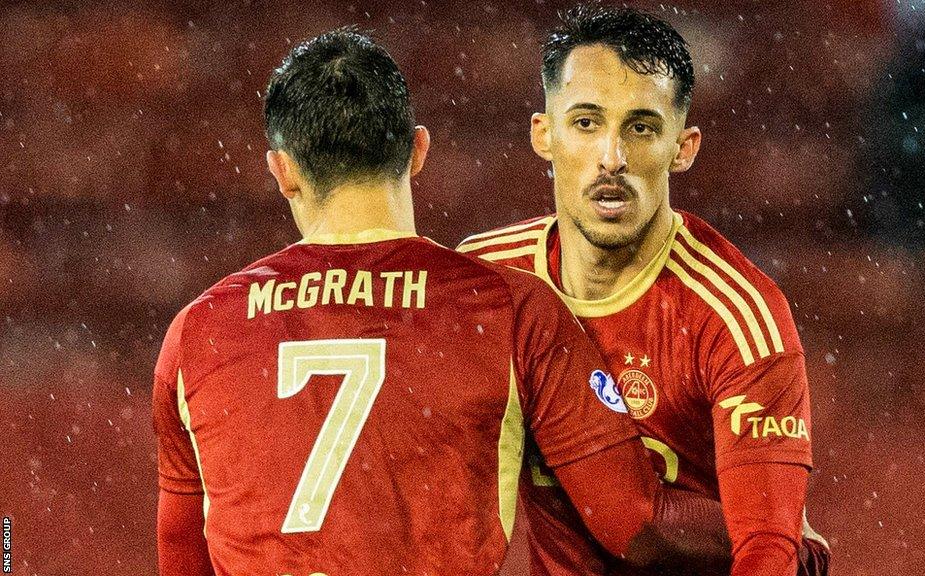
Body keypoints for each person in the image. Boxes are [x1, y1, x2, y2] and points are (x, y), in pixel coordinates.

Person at [152, 27, 730, 576]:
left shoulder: (198, 331)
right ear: (419, 150)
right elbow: (636, 523)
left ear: (283, 172)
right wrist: (769, 530)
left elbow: (181, 553)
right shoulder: (508, 310)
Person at [458, 5, 831, 576]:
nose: (613, 158)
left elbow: (767, 549)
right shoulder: (483, 281)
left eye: (641, 127)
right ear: (544, 135)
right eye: (586, 123)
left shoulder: (737, 314)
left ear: (683, 147)